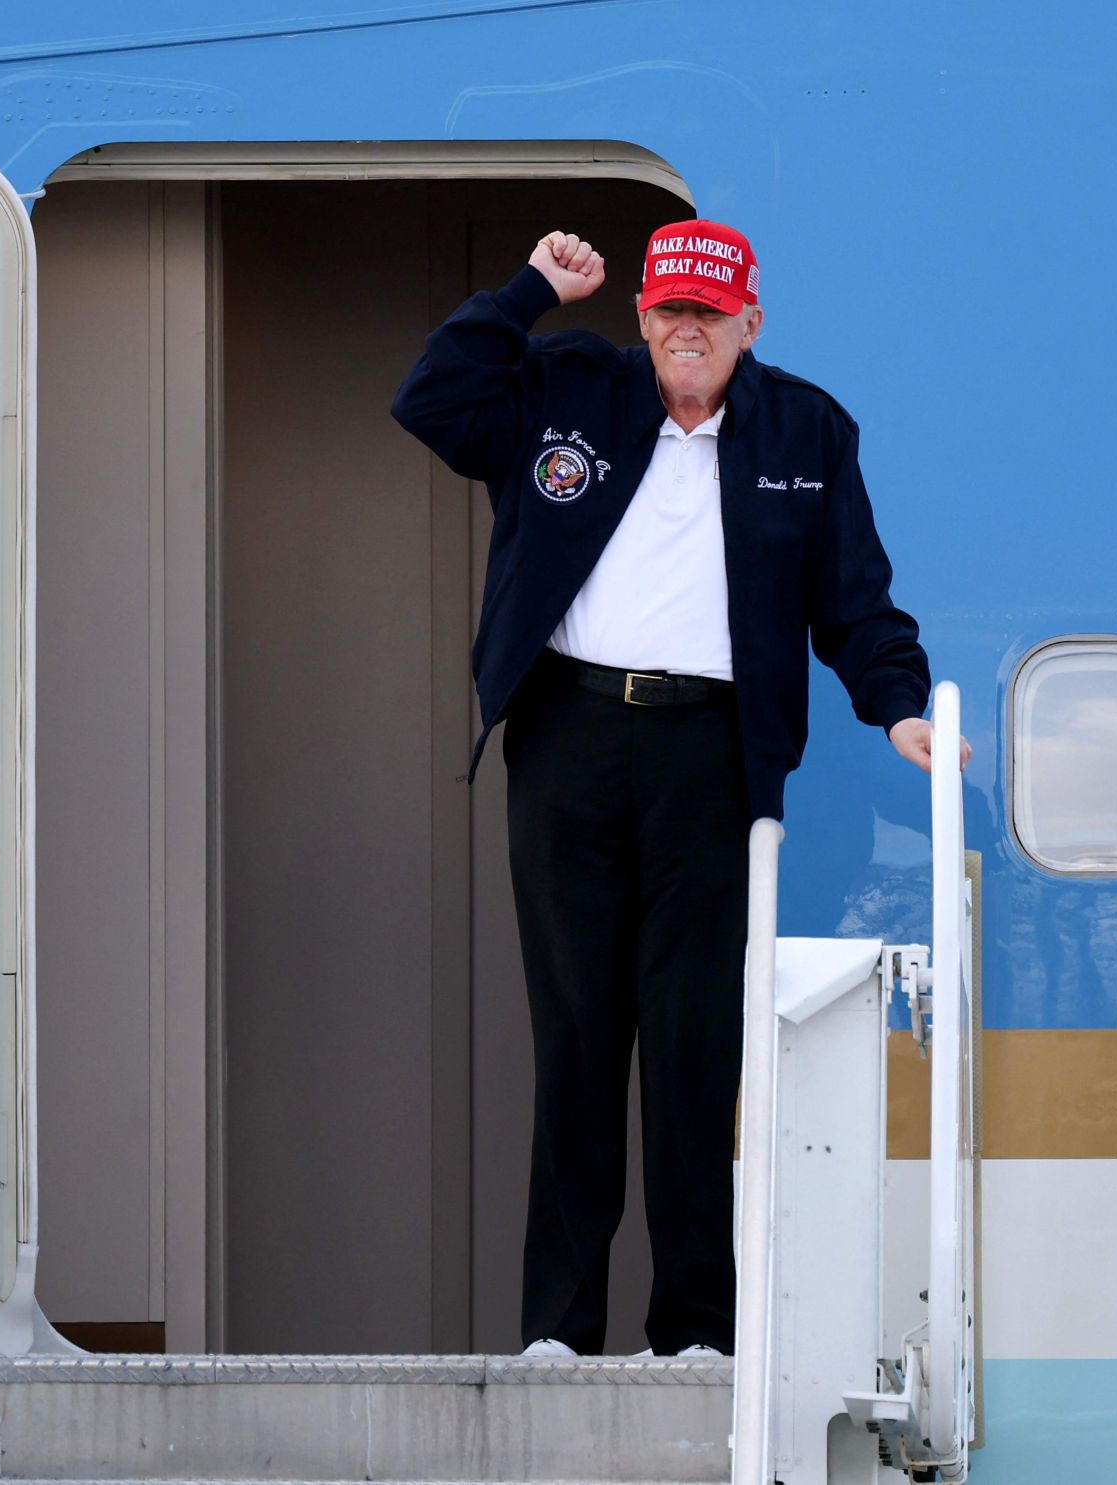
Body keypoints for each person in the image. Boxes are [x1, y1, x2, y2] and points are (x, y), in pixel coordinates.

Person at [390, 220, 967, 1358]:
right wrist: (524, 293)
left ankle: (697, 1330)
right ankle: (558, 1330)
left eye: (708, 312)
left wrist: (897, 704)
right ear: (641, 316)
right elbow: (431, 401)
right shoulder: (568, 387)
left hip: (712, 756)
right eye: (666, 311)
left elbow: (856, 600)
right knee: (577, 1038)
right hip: (568, 739)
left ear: (750, 322)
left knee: (697, 1043)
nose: (685, 330)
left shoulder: (805, 428)